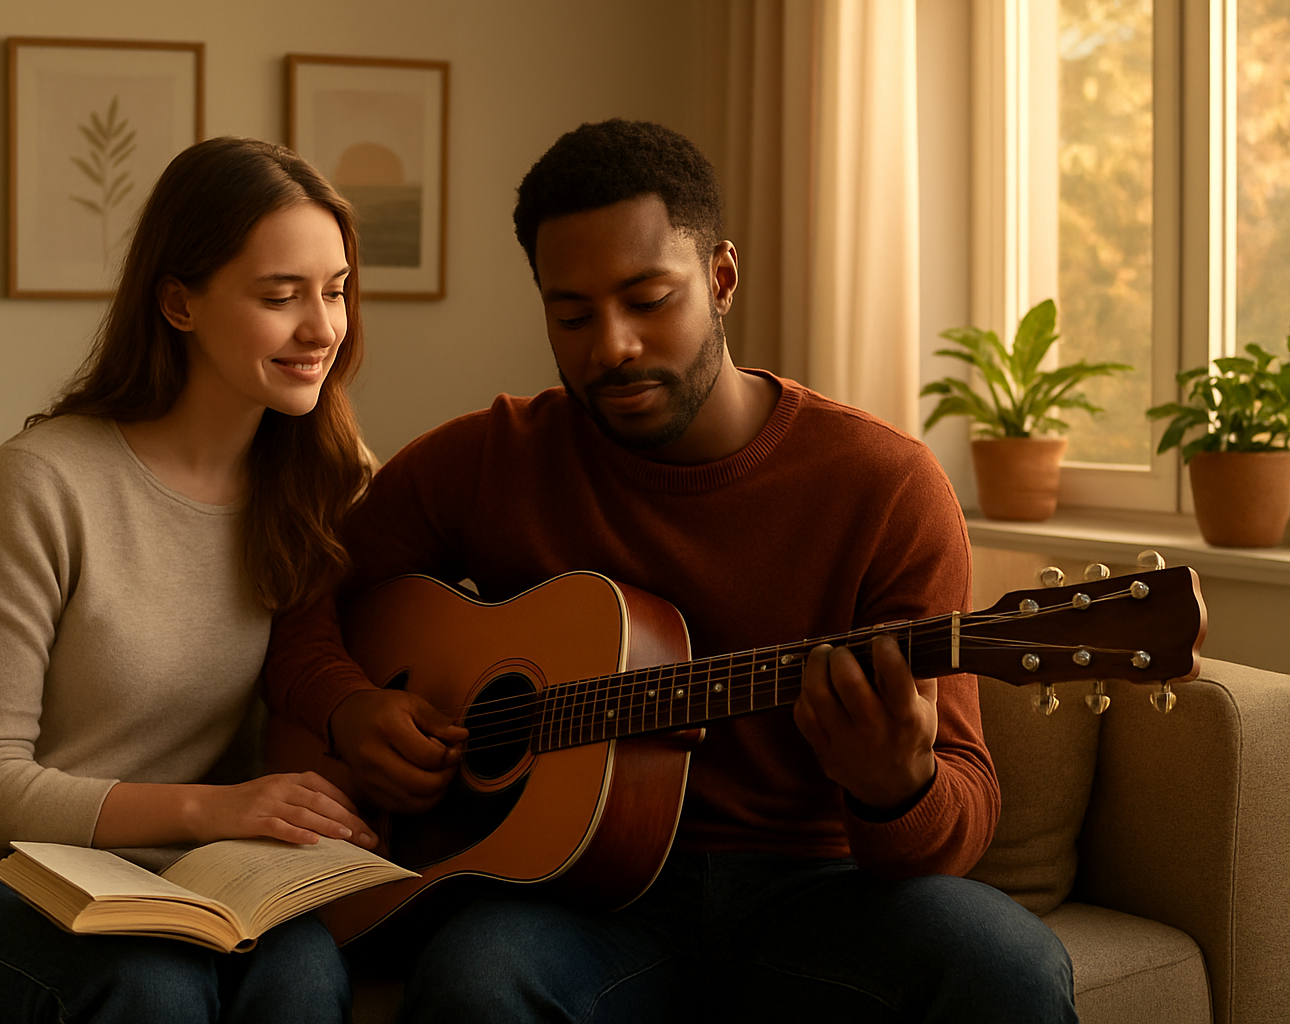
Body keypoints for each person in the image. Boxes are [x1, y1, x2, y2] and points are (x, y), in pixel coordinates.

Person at [262, 119, 1078, 1022]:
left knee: (1012, 967)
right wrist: (348, 704)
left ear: (721, 278)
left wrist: (898, 786)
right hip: (573, 900)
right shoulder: (491, 459)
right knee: (475, 980)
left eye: (648, 300)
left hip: (815, 890)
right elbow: (304, 593)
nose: (610, 346)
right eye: (572, 315)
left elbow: (960, 808)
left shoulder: (883, 486)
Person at [0, 137, 379, 1024]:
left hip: (169, 876)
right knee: (151, 988)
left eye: (335, 290)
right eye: (280, 295)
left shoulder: (329, 478)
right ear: (179, 302)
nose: (323, 328)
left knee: (304, 974)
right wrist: (213, 811)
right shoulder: (46, 478)